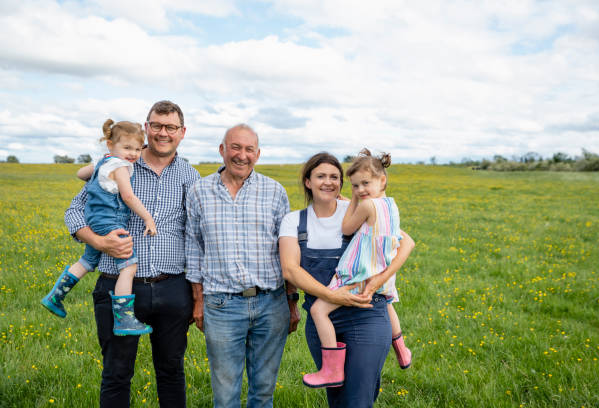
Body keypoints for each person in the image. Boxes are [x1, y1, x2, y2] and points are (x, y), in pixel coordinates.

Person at [64, 101, 200, 408]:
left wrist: (197, 294)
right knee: (116, 373)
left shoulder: (189, 175)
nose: (163, 133)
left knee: (171, 372)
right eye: (157, 126)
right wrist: (99, 243)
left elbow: (196, 234)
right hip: (118, 284)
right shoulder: (118, 162)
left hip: (172, 287)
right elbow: (74, 212)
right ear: (146, 127)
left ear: (182, 132)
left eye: (171, 127)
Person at [279, 152, 415, 407]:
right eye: (320, 176)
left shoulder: (361, 207)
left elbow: (405, 242)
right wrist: (332, 296)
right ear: (308, 181)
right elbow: (290, 270)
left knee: (358, 398)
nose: (328, 182)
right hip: (323, 319)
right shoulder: (295, 221)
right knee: (338, 397)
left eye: (334, 177)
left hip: (366, 313)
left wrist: (380, 280)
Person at [186, 124, 299, 408]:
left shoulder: (274, 192)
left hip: (271, 304)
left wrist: (291, 302)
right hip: (222, 306)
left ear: (258, 154)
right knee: (225, 397)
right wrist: (198, 301)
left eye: (249, 149)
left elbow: (288, 251)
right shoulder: (199, 192)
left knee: (263, 393)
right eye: (235, 147)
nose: (242, 155)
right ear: (222, 150)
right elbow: (193, 248)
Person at [42, 119, 156, 336]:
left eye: (137, 148)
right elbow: (128, 197)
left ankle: (55, 296)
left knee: (87, 261)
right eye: (126, 147)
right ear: (110, 145)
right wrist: (148, 218)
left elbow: (80, 174)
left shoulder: (104, 162)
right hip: (111, 222)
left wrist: (97, 170)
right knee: (129, 267)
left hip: (94, 221)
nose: (132, 153)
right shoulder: (121, 167)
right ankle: (124, 319)